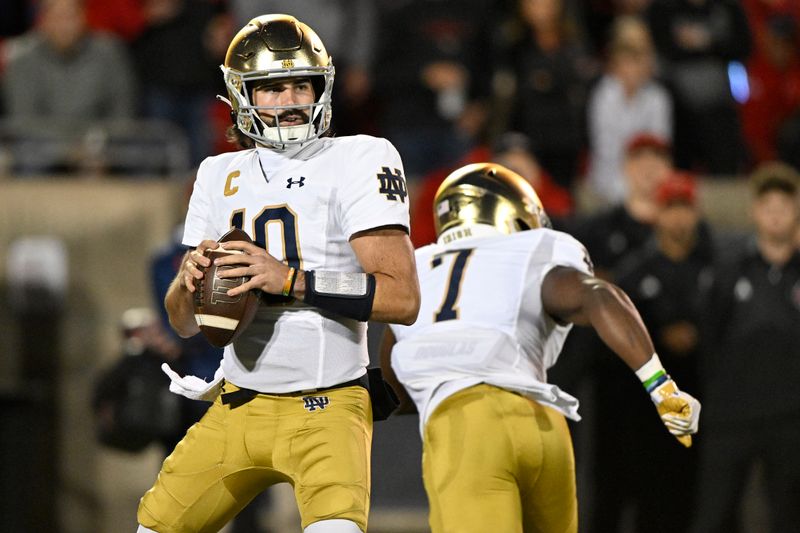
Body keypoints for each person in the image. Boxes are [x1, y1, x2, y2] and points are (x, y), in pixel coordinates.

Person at [135, 14, 420, 533]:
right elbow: (183, 323)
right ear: (241, 95)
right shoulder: (217, 173)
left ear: (322, 86)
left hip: (327, 405)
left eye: (300, 83)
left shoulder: (359, 157)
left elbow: (402, 298)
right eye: (271, 87)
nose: (290, 99)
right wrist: (189, 281)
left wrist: (291, 280)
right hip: (237, 404)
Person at [379, 162, 700, 533]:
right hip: (545, 426)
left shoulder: (414, 268)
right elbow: (600, 296)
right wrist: (660, 385)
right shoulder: (534, 247)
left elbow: (394, 395)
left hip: (464, 425)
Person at [594, 172, 713, 532]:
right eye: (670, 208)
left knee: (688, 496)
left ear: (696, 213)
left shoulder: (715, 269)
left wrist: (695, 336)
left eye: (684, 208)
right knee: (637, 495)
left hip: (699, 399)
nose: (678, 217)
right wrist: (664, 337)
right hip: (641, 409)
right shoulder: (633, 272)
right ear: (658, 214)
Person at [692, 161, 800, 533]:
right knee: (715, 513)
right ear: (755, 211)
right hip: (731, 414)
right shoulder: (730, 269)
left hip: (790, 416)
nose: (775, 216)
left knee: (788, 514)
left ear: (795, 212)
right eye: (768, 207)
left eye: (783, 208)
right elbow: (709, 335)